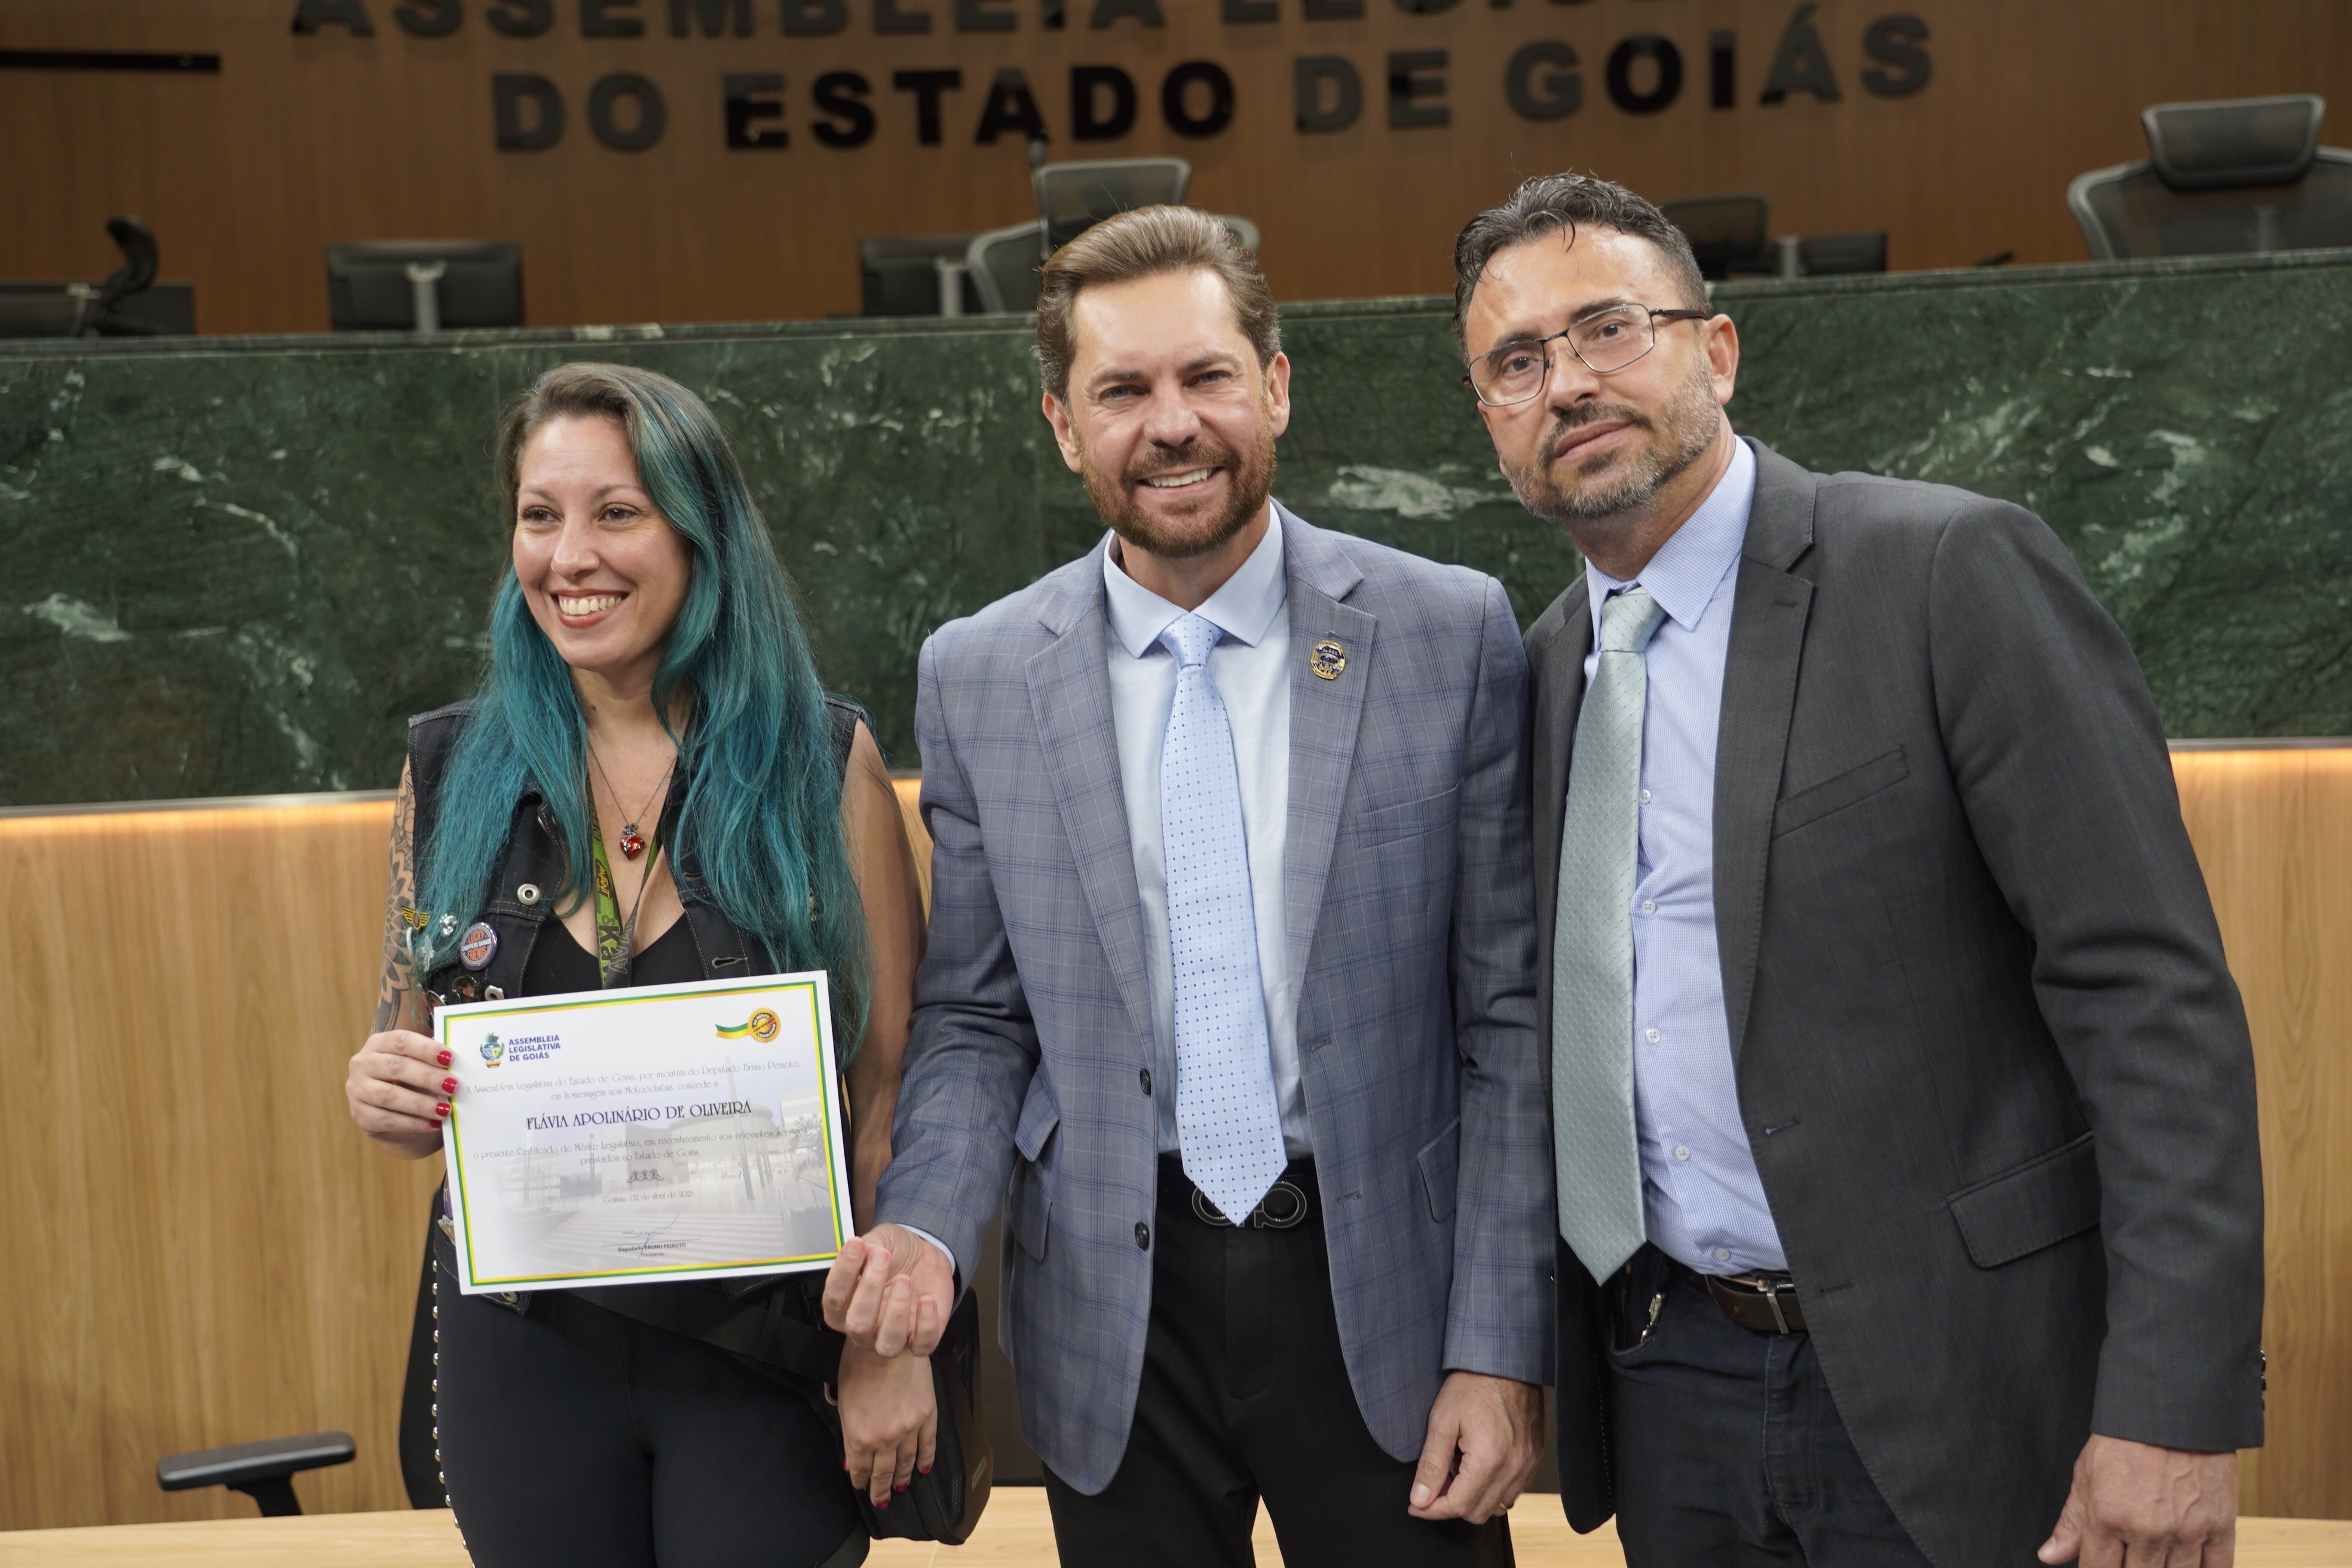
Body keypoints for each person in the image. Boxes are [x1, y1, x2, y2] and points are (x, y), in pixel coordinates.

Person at [1454, 172, 2265, 1567]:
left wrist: (2172, 1406)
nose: (1567, 383)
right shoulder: (1531, 676)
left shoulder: (1945, 572)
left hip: (1968, 1381)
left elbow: (2153, 1001)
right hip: (1673, 1388)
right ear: (1490, 419)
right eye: (1516, 362)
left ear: (1716, 350)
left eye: (1607, 329)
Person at [819, 206, 1552, 1567]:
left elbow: (1507, 1021)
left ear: (1274, 386)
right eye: (1122, 391)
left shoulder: (1446, 634)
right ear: (1063, 424)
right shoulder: (980, 675)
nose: (1172, 425)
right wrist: (923, 1225)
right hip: (1112, 1316)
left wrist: (1501, 1346)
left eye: (1207, 376)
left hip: (1386, 1300)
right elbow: (977, 1018)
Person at [342, 362, 933, 1568]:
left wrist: (886, 1341)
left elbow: (890, 1096)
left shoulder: (823, 764)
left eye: (617, 512)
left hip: (767, 1353)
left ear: (701, 533)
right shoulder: (448, 767)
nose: (572, 557)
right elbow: (405, 1047)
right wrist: (383, 1091)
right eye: (540, 515)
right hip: (528, 1356)